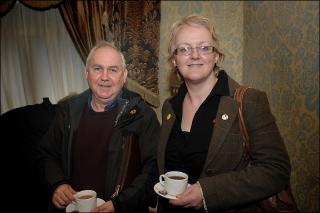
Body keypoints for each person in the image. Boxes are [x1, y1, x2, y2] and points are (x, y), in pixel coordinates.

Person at [156, 14, 291, 212]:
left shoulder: (248, 101)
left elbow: (276, 170)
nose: (195, 55)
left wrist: (207, 193)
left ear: (216, 56)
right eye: (184, 49)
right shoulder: (169, 107)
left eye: (204, 48)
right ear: (174, 60)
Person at [39, 41, 160, 213]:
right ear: (86, 73)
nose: (104, 76)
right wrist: (56, 184)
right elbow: (47, 154)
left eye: (113, 69)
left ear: (124, 76)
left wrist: (119, 205)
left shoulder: (142, 115)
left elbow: (154, 169)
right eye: (97, 68)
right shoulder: (67, 111)